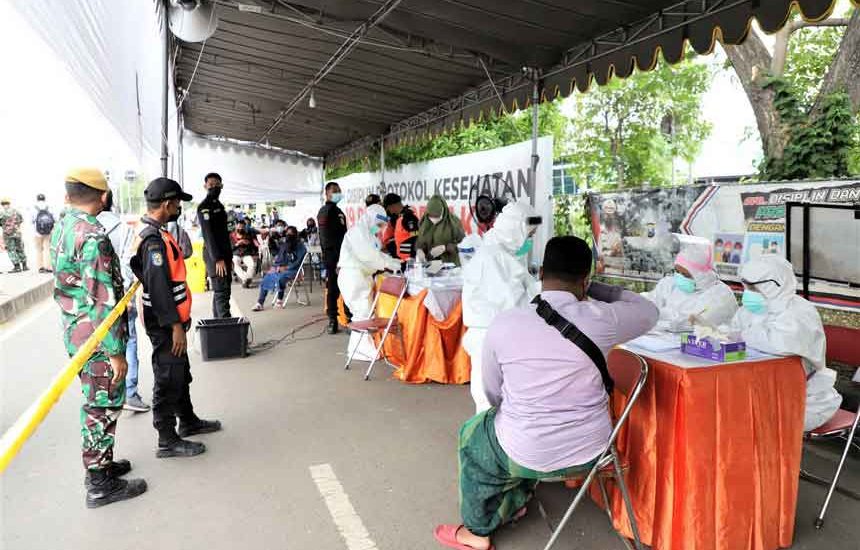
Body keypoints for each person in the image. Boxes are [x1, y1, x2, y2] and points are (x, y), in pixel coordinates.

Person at [434, 236, 659, 550]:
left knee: (473, 437)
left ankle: (478, 531)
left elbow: (492, 391)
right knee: (503, 432)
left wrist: (515, 415)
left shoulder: (505, 323)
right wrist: (595, 289)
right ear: (585, 280)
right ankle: (517, 497)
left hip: (522, 446)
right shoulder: (603, 320)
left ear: (540, 273)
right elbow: (648, 310)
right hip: (592, 449)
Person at [50, 168, 147, 508]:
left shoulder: (62, 227)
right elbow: (101, 299)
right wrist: (116, 351)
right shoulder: (92, 235)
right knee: (101, 405)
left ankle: (102, 465)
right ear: (104, 196)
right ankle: (98, 483)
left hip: (75, 332)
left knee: (98, 400)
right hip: (96, 338)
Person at [131, 177, 222, 458]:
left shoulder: (157, 232)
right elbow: (158, 288)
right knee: (168, 376)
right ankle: (167, 439)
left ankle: (188, 421)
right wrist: (175, 327)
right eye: (178, 202)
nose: (180, 206)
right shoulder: (153, 240)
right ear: (168, 203)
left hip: (172, 322)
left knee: (180, 373)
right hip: (165, 325)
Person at [729, 256, 842, 431]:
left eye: (753, 287)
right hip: (760, 387)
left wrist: (742, 335)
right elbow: (733, 332)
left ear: (774, 284)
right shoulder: (750, 309)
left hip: (802, 398)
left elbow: (779, 344)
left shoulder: (799, 311)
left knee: (745, 419)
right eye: (746, 286)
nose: (748, 292)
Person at [462, 201, 542, 413]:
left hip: (499, 332)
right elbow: (513, 302)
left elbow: (526, 287)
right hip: (489, 334)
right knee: (488, 398)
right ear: (516, 230)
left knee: (500, 395)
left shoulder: (505, 253)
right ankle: (486, 441)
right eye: (530, 234)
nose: (530, 240)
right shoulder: (493, 256)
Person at [97, 205, 151, 413]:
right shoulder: (122, 229)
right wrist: (126, 295)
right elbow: (128, 263)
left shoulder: (76, 228)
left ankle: (107, 394)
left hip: (93, 307)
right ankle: (129, 393)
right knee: (128, 343)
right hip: (119, 301)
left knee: (99, 349)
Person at [642, 236, 737, 332]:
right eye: (677, 271)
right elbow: (648, 305)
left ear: (701, 275)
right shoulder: (670, 284)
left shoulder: (720, 295)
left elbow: (693, 322)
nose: (679, 277)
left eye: (685, 274)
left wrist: (660, 316)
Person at [197, 172, 232, 318]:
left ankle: (218, 328)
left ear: (221, 186)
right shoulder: (204, 207)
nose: (214, 187)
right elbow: (209, 235)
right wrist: (218, 258)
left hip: (224, 255)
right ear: (205, 186)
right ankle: (227, 331)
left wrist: (228, 257)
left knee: (222, 292)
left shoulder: (219, 205)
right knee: (222, 293)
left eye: (217, 185)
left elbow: (223, 234)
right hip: (215, 257)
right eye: (210, 185)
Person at [318, 181, 349, 334]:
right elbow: (325, 238)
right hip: (333, 257)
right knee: (333, 288)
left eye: (339, 190)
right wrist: (336, 259)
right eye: (334, 191)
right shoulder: (325, 211)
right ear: (327, 194)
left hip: (343, 255)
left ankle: (348, 318)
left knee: (346, 287)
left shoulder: (338, 211)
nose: (338, 193)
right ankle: (332, 319)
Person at [253, 226, 307, 310]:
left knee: (281, 278)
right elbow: (279, 257)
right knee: (267, 277)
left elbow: (298, 262)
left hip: (292, 270)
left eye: (291, 233)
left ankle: (279, 300)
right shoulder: (285, 244)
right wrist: (275, 267)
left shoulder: (301, 246)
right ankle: (260, 303)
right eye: (287, 233)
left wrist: (286, 267)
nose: (289, 235)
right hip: (279, 268)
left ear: (296, 235)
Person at [415, 194, 465, 265]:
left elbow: (463, 245)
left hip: (449, 267)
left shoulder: (454, 223)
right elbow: (420, 242)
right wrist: (419, 250)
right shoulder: (424, 223)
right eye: (431, 216)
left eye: (436, 216)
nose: (433, 218)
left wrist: (445, 248)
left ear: (443, 211)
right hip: (430, 266)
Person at [382, 193, 420, 262]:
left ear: (392, 206)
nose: (389, 211)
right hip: (400, 256)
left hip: (408, 258)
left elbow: (416, 234)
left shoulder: (408, 217)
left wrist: (394, 240)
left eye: (388, 209)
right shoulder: (395, 217)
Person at [0, 198, 27, 273]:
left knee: (11, 249)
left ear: (2, 205)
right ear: (9, 204)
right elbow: (21, 220)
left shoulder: (1, 213)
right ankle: (24, 265)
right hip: (17, 232)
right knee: (20, 248)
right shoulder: (16, 211)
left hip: (7, 234)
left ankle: (17, 266)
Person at [231, 219, 259, 288]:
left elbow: (253, 245)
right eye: (239, 226)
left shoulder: (248, 235)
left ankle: (247, 279)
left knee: (252, 264)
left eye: (242, 227)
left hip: (246, 253)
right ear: (236, 226)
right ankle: (245, 279)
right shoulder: (231, 235)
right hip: (236, 254)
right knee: (235, 264)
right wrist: (237, 243)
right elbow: (230, 247)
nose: (241, 228)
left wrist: (247, 243)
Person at [32, 193, 55, 273]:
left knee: (39, 249)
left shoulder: (34, 207)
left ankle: (40, 267)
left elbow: (31, 220)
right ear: (44, 199)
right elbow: (54, 218)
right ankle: (49, 267)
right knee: (48, 249)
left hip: (37, 232)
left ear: (37, 199)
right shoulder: (49, 207)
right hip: (48, 231)